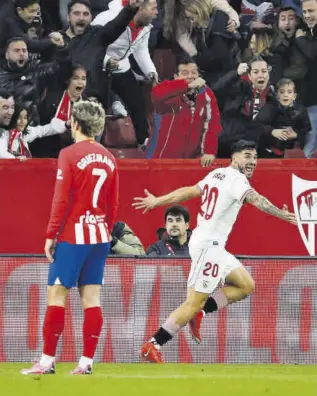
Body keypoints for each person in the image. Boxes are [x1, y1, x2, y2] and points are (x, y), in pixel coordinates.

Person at [133, 139, 297, 363]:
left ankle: (201, 313)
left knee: (245, 285)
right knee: (193, 302)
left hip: (214, 246)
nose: (252, 162)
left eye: (255, 157)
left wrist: (157, 200)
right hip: (207, 247)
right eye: (247, 156)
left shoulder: (217, 174)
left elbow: (189, 191)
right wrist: (282, 214)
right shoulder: (237, 180)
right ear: (234, 158)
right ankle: (152, 344)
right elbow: (256, 200)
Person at [21, 100, 119, 375]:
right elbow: (114, 203)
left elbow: (60, 200)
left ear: (75, 123)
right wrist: (106, 230)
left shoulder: (69, 154)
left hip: (74, 234)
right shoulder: (109, 157)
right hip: (100, 235)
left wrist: (51, 233)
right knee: (92, 298)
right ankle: (86, 363)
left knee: (56, 294)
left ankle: (46, 361)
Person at [145, 58, 221, 166]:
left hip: (190, 162)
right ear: (176, 76)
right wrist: (187, 86)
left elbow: (211, 125)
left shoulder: (206, 94)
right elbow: (156, 95)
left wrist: (209, 151)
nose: (190, 76)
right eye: (185, 73)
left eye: (194, 72)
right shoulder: (168, 92)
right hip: (160, 160)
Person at [0, 103, 67, 159]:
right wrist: (16, 159)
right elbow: (2, 153)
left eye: (25, 118)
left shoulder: (25, 133)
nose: (23, 122)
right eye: (19, 118)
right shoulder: (3, 134)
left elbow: (44, 130)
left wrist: (66, 124)